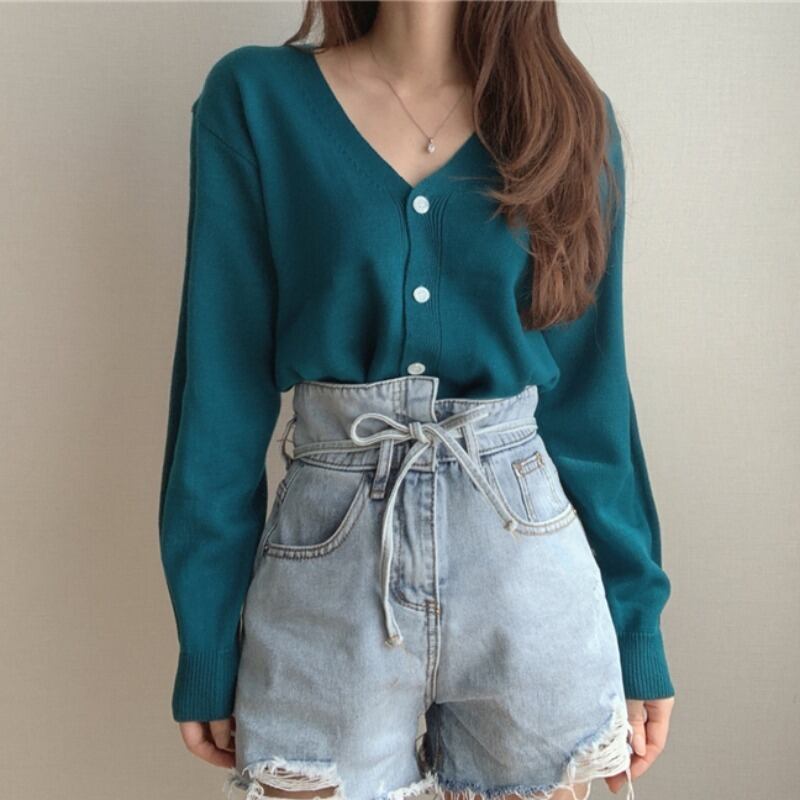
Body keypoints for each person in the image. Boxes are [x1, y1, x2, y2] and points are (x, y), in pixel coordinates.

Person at [158, 3, 676, 799]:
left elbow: (591, 404)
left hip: (528, 570)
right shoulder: (256, 99)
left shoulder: (568, 118)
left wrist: (636, 629)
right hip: (327, 571)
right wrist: (207, 637)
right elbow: (219, 391)